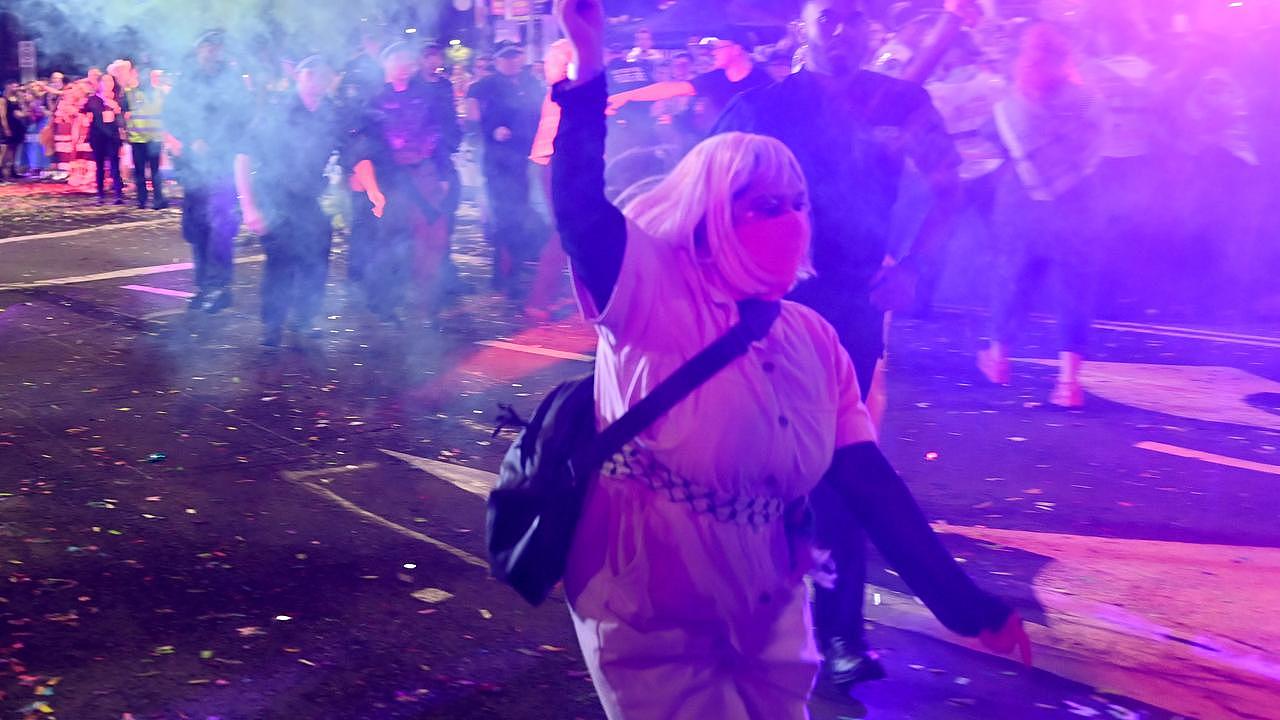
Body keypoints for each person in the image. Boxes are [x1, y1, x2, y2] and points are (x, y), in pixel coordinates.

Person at [551, 1, 1026, 717]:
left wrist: (964, 604)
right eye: (761, 204)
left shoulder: (812, 341)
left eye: (797, 202)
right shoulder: (657, 296)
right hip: (651, 591)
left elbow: (866, 478)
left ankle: (839, 631)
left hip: (766, 601)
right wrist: (588, 67)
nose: (790, 221)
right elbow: (584, 212)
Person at [713, 0, 969, 699]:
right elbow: (703, 195)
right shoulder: (762, 106)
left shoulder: (900, 99)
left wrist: (914, 266)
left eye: (858, 17)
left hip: (852, 307)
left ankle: (840, 636)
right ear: (803, 25)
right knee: (754, 462)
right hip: (764, 308)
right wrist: (754, 260)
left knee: (838, 467)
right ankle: (747, 619)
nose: (845, 30)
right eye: (831, 16)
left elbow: (951, 188)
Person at [977, 23, 1104, 408]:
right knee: (1073, 286)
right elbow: (1097, 143)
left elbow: (991, 135)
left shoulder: (1013, 104)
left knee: (1012, 276)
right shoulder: (1087, 100)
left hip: (1020, 203)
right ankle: (1068, 383)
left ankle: (999, 358)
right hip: (1076, 202)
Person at [236, 56, 346, 347]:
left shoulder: (330, 112)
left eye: (325, 76)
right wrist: (248, 206)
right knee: (281, 264)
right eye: (313, 75)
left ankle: (305, 318)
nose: (320, 82)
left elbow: (342, 153)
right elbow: (243, 155)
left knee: (317, 261)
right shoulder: (276, 110)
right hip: (276, 198)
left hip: (311, 200)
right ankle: (272, 327)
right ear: (301, 75)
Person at [349, 41, 456, 324]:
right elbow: (363, 144)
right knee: (391, 243)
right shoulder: (373, 100)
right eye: (398, 61)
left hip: (424, 174)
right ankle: (386, 302)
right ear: (386, 64)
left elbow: (438, 135)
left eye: (407, 61)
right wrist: (367, 180)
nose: (404, 67)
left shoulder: (427, 95)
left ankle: (426, 304)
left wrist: (443, 173)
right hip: (392, 179)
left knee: (430, 239)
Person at [165, 30, 248, 314]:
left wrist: (214, 142)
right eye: (206, 46)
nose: (211, 51)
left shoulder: (232, 81)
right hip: (193, 167)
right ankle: (203, 285)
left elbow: (241, 119)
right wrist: (186, 141)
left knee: (221, 228)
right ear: (198, 49)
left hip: (222, 164)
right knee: (197, 228)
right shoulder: (186, 79)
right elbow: (171, 116)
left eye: (216, 46)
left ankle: (220, 286)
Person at [466, 40, 545, 294]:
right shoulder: (484, 86)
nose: (511, 61)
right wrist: (491, 129)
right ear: (497, 60)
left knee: (521, 215)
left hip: (525, 159)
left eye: (515, 56)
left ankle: (516, 269)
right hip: (498, 161)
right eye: (506, 57)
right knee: (504, 216)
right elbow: (472, 117)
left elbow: (542, 112)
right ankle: (503, 275)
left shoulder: (531, 83)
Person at [608, 27, 772, 139]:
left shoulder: (764, 81)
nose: (713, 52)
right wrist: (627, 96)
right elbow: (671, 89)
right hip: (722, 148)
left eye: (718, 47)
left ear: (737, 49)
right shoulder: (715, 77)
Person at [125, 66, 169, 209]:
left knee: (156, 171)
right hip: (138, 138)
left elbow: (166, 113)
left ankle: (158, 199)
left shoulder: (159, 93)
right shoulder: (129, 94)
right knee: (140, 172)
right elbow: (123, 114)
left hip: (155, 138)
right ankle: (142, 200)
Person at [82, 74, 126, 204]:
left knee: (114, 165)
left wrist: (117, 110)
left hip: (113, 137)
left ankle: (118, 194)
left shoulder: (118, 99)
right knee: (99, 166)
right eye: (104, 81)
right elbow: (85, 113)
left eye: (110, 81)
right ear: (100, 83)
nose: (107, 83)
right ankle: (100, 194)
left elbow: (123, 118)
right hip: (98, 137)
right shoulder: (93, 99)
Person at [1, 82, 28, 180]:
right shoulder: (3, 100)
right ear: (8, 86)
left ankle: (13, 170)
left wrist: (22, 100)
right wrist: (6, 128)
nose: (16, 88)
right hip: (9, 125)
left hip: (18, 126)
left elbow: (24, 112)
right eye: (14, 86)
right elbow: (2, 115)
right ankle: (2, 171)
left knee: (15, 149)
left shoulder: (17, 99)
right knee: (5, 150)